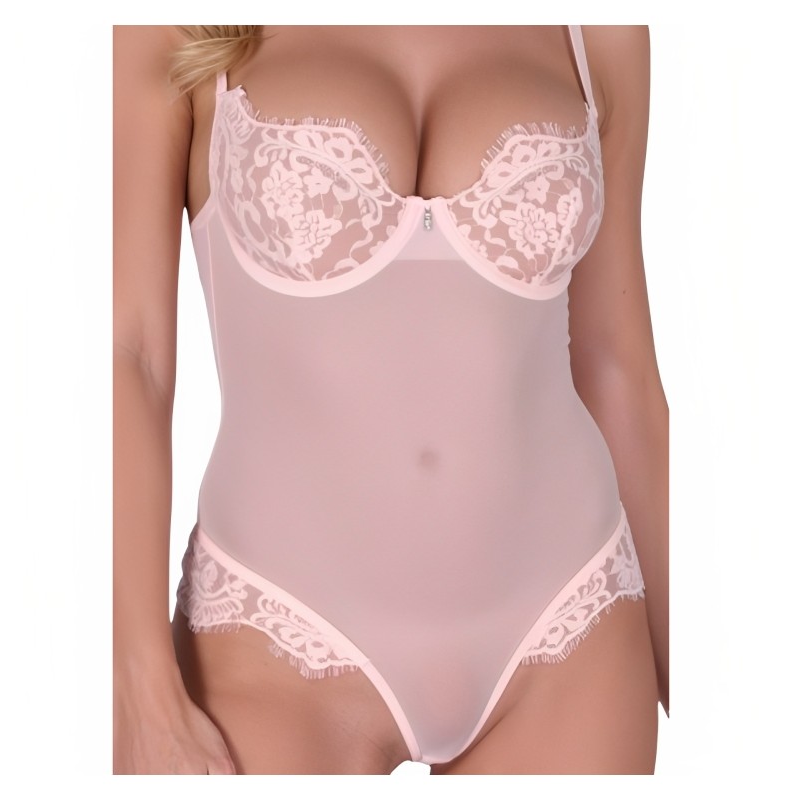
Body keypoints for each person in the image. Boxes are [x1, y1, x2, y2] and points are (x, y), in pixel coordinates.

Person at [113, 24, 668, 775]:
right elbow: (130, 356)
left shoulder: (597, 30)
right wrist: (137, 685)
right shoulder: (182, 24)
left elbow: (615, 366)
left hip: (572, 620)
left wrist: (732, 690)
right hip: (271, 637)